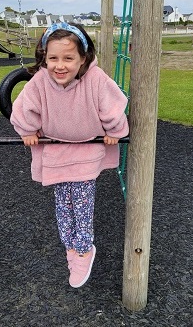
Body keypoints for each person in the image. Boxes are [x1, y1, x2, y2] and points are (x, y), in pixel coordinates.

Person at [10, 22, 129, 288]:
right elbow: (24, 107)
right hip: (56, 150)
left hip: (87, 149)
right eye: (53, 58)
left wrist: (114, 130)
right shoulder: (41, 80)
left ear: (83, 58)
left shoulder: (95, 78)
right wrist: (28, 130)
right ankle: (71, 248)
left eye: (68, 58)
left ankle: (85, 249)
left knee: (83, 204)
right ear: (44, 57)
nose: (59, 65)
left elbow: (113, 104)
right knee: (63, 204)